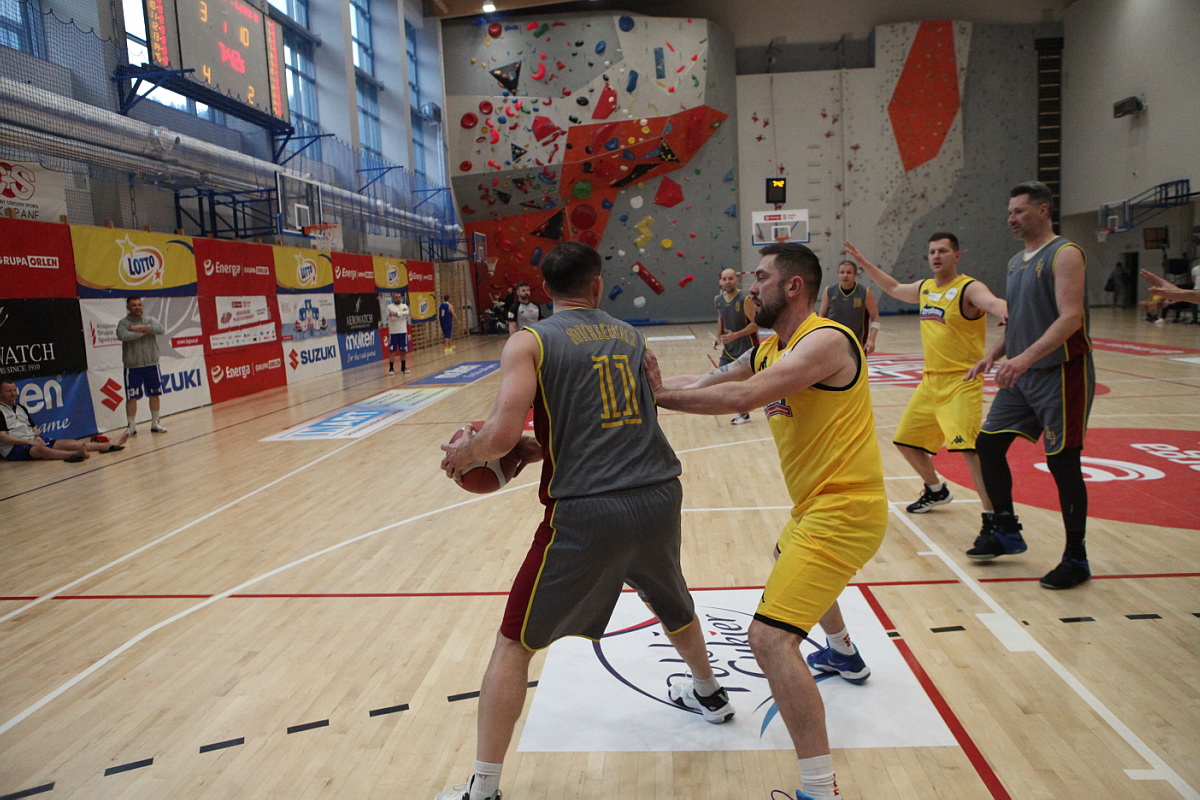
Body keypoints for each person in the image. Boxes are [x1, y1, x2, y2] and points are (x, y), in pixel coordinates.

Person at [437, 242, 735, 800]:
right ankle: (710, 693)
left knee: (514, 643)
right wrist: (542, 448)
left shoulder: (529, 341)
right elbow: (618, 418)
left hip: (586, 511)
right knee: (671, 597)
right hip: (657, 494)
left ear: (544, 288)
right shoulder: (630, 336)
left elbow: (498, 437)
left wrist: (468, 453)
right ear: (597, 285)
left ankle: (484, 788)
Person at [646, 242, 887, 800]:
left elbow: (745, 396)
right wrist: (645, 388)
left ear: (793, 286)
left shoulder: (826, 341)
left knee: (770, 640)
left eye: (760, 277)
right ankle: (844, 653)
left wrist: (659, 400)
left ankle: (819, 790)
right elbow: (709, 381)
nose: (752, 287)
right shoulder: (770, 347)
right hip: (816, 508)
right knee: (784, 555)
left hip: (846, 511)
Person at [965, 181, 1096, 590]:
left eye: (1019, 211)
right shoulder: (1015, 262)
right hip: (1022, 374)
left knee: (1063, 463)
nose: (1011, 219)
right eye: (1009, 212)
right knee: (988, 445)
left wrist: (1022, 359)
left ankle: (1076, 557)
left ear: (1043, 210)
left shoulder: (1065, 253)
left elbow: (1070, 318)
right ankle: (1006, 530)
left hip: (1061, 372)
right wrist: (995, 354)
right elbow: (1019, 320)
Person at [844, 235, 1006, 543]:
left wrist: (1006, 310)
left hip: (961, 382)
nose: (936, 256)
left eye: (943, 251)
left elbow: (992, 302)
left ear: (957, 255)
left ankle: (994, 518)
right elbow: (893, 288)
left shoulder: (968, 288)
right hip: (931, 382)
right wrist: (864, 264)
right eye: (932, 251)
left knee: (969, 451)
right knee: (906, 441)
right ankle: (936, 490)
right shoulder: (926, 288)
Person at [1, 379, 128, 462]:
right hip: (13, 448)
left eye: (14, 390)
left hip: (31, 440)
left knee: (67, 442)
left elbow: (34, 428)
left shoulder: (20, 408)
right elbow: (3, 437)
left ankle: (108, 445)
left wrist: (37, 437)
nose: (13, 393)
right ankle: (74, 454)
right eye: (8, 391)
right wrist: (28, 442)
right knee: (41, 450)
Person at [714, 267, 760, 424]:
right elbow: (721, 317)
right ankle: (741, 410)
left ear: (737, 280)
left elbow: (756, 324)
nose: (728, 282)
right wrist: (718, 336)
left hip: (747, 348)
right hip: (729, 349)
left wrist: (736, 335)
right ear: (721, 281)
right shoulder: (718, 299)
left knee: (748, 383)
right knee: (719, 377)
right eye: (725, 279)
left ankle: (744, 413)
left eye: (731, 278)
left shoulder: (744, 299)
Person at [117, 296, 167, 435]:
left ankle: (155, 424)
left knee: (155, 394)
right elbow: (123, 336)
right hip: (132, 366)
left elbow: (160, 329)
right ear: (128, 307)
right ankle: (131, 426)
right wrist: (142, 333)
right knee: (131, 397)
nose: (137, 307)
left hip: (152, 364)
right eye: (134, 305)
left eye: (139, 305)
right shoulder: (123, 322)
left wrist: (141, 327)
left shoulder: (149, 319)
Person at [818, 259, 880, 354]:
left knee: (855, 363)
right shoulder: (829, 291)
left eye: (849, 272)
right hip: (832, 339)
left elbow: (875, 317)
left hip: (856, 340)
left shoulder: (865, 292)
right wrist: (822, 334)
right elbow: (822, 315)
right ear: (838, 274)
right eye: (842, 272)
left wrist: (872, 339)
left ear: (855, 275)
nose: (845, 275)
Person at [386, 292, 411, 375]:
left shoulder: (404, 306)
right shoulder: (389, 306)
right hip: (393, 332)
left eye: (399, 297)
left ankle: (403, 367)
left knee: (403, 350)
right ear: (393, 298)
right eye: (396, 297)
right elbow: (391, 316)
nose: (398, 298)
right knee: (392, 351)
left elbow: (406, 313)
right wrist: (400, 314)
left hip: (403, 331)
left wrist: (397, 313)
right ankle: (391, 368)